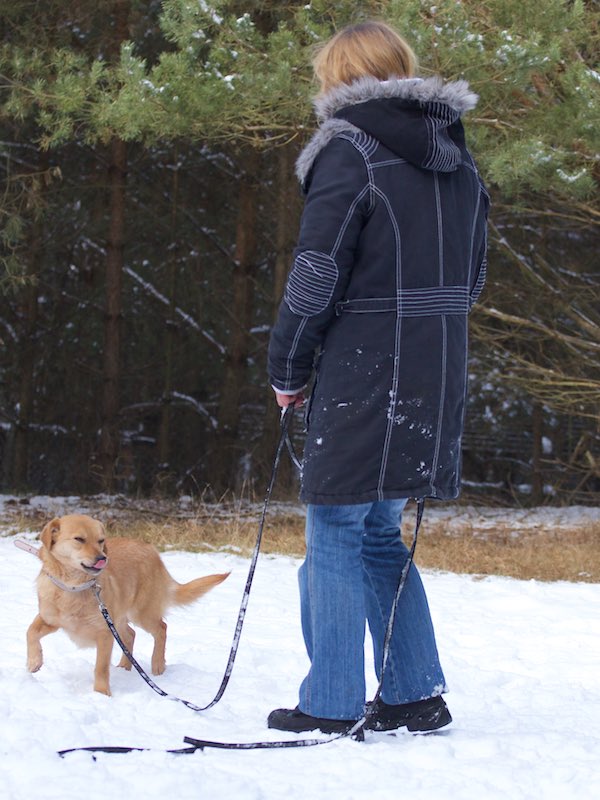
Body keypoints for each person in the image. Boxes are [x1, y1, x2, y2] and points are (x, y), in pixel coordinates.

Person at [267, 20, 489, 736]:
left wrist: (288, 365)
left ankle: (330, 703)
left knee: (337, 525)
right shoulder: (458, 155)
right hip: (437, 367)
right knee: (378, 534)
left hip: (365, 368)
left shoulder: (349, 149)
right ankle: (413, 693)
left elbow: (316, 271)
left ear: (338, 77)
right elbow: (473, 276)